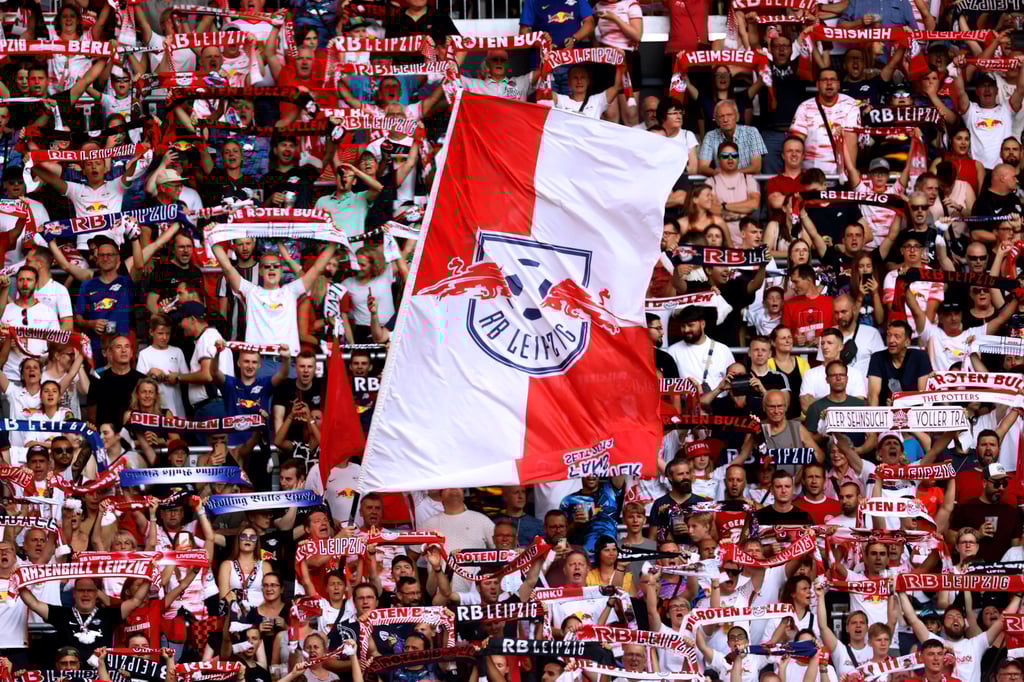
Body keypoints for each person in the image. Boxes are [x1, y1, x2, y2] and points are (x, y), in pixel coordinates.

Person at [212, 243, 336, 378]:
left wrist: (334, 241)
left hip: (288, 362)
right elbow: (228, 268)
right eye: (267, 266)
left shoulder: (290, 291)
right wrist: (212, 237)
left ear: (281, 270)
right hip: (260, 364)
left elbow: (317, 268)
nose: (271, 268)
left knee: (293, 400)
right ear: (260, 271)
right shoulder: (252, 292)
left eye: (275, 266)